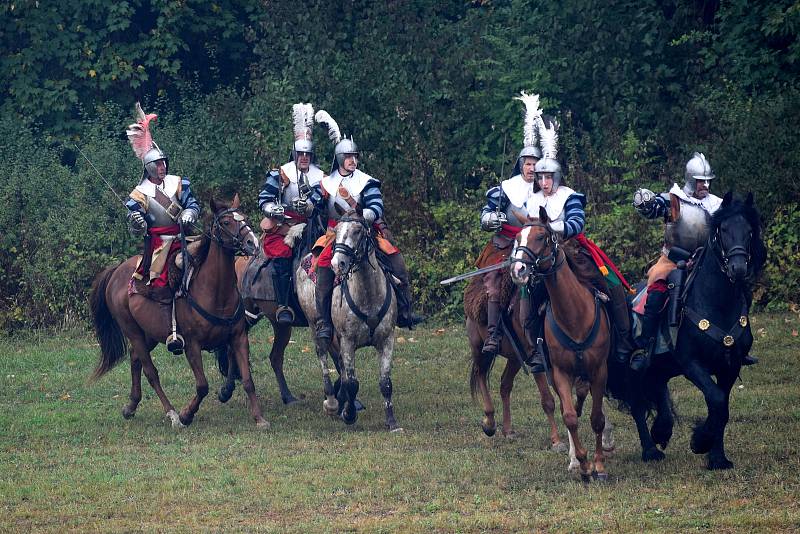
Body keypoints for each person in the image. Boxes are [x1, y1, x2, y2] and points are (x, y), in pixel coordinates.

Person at [631, 152, 757, 370]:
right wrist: (647, 202)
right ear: (691, 179)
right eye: (700, 181)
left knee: (741, 289)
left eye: (707, 181)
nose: (705, 185)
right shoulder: (675, 200)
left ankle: (740, 344)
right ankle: (645, 346)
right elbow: (656, 206)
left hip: (708, 262)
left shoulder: (717, 204)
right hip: (672, 260)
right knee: (656, 292)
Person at [310, 110, 424, 347]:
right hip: (335, 233)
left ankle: (404, 311)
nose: (353, 160)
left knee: (397, 262)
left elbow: (376, 205)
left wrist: (363, 214)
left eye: (355, 156)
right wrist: (307, 203)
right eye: (349, 157)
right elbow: (315, 203)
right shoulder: (326, 183)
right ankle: (324, 324)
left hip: (366, 231)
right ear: (340, 159)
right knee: (323, 269)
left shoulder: (366, 181)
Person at [477, 92, 543, 360]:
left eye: (535, 164)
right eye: (527, 163)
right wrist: (491, 219)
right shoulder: (506, 188)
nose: (531, 168)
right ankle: (493, 334)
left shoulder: (548, 188)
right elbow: (485, 214)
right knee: (493, 283)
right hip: (506, 243)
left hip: (536, 245)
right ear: (520, 164)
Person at [258, 103, 324, 325]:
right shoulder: (281, 173)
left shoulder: (320, 176)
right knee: (282, 259)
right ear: (294, 153)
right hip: (284, 227)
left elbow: (323, 200)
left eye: (307, 153)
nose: (304, 157)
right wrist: (272, 209)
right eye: (300, 153)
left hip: (312, 226)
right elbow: (264, 199)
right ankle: (284, 305)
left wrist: (311, 206)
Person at [125, 102, 201, 293]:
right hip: (159, 243)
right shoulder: (139, 193)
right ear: (149, 167)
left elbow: (192, 203)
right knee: (161, 282)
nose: (163, 168)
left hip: (184, 236)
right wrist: (137, 222)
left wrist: (190, 212)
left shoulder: (177, 182)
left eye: (164, 163)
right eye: (158, 164)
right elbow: (134, 223)